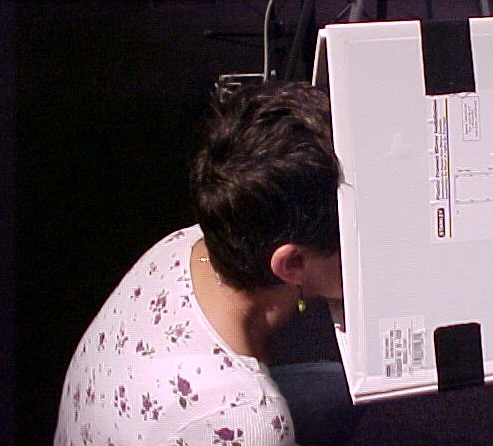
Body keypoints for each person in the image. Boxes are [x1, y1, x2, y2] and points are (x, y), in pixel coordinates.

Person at [54, 82, 348, 446]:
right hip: (209, 421)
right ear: (293, 263)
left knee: (333, 391)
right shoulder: (252, 421)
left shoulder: (190, 241)